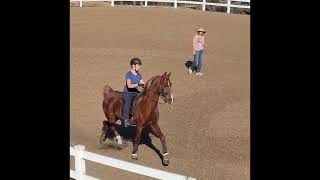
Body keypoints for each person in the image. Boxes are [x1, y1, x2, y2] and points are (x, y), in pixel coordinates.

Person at [122, 58, 145, 127]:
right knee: (128, 103)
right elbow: (129, 85)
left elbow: (143, 84)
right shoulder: (128, 74)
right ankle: (126, 120)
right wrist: (138, 84)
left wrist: (148, 87)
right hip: (128, 93)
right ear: (133, 65)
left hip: (135, 92)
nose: (139, 67)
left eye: (139, 65)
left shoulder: (139, 75)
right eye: (138, 65)